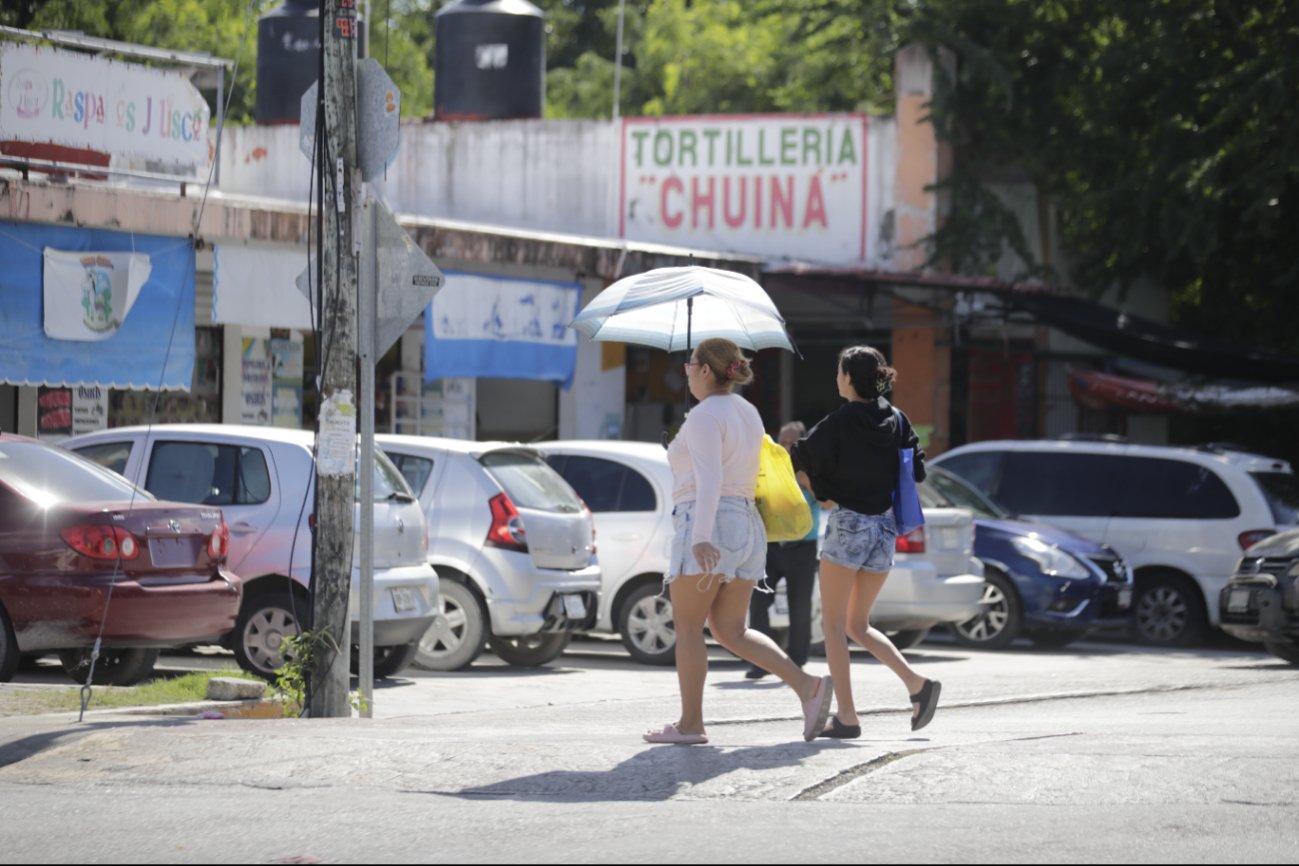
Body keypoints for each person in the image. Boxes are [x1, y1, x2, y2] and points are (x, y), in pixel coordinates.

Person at [643, 338, 833, 745]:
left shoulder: (704, 416)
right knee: (730, 630)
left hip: (710, 519)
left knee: (689, 626)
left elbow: (710, 479)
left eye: (690, 365)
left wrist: (700, 537)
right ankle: (808, 687)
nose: (687, 371)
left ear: (707, 370)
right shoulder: (747, 411)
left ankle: (691, 724)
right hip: (747, 524)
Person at [789, 345, 941, 739]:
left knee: (836, 626)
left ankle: (848, 717)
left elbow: (800, 458)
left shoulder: (840, 421)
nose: (836, 378)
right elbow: (918, 470)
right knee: (858, 624)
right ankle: (917, 685)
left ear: (849, 377)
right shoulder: (898, 418)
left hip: (849, 525)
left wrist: (822, 489)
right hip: (886, 530)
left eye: (839, 371)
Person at [744, 421, 821, 680]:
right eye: (783, 441)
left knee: (799, 607)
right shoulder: (769, 466)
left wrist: (807, 482)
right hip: (770, 547)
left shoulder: (812, 467)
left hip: (802, 548)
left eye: (792, 442)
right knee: (757, 602)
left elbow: (828, 501)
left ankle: (797, 663)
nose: (786, 446)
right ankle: (760, 661)